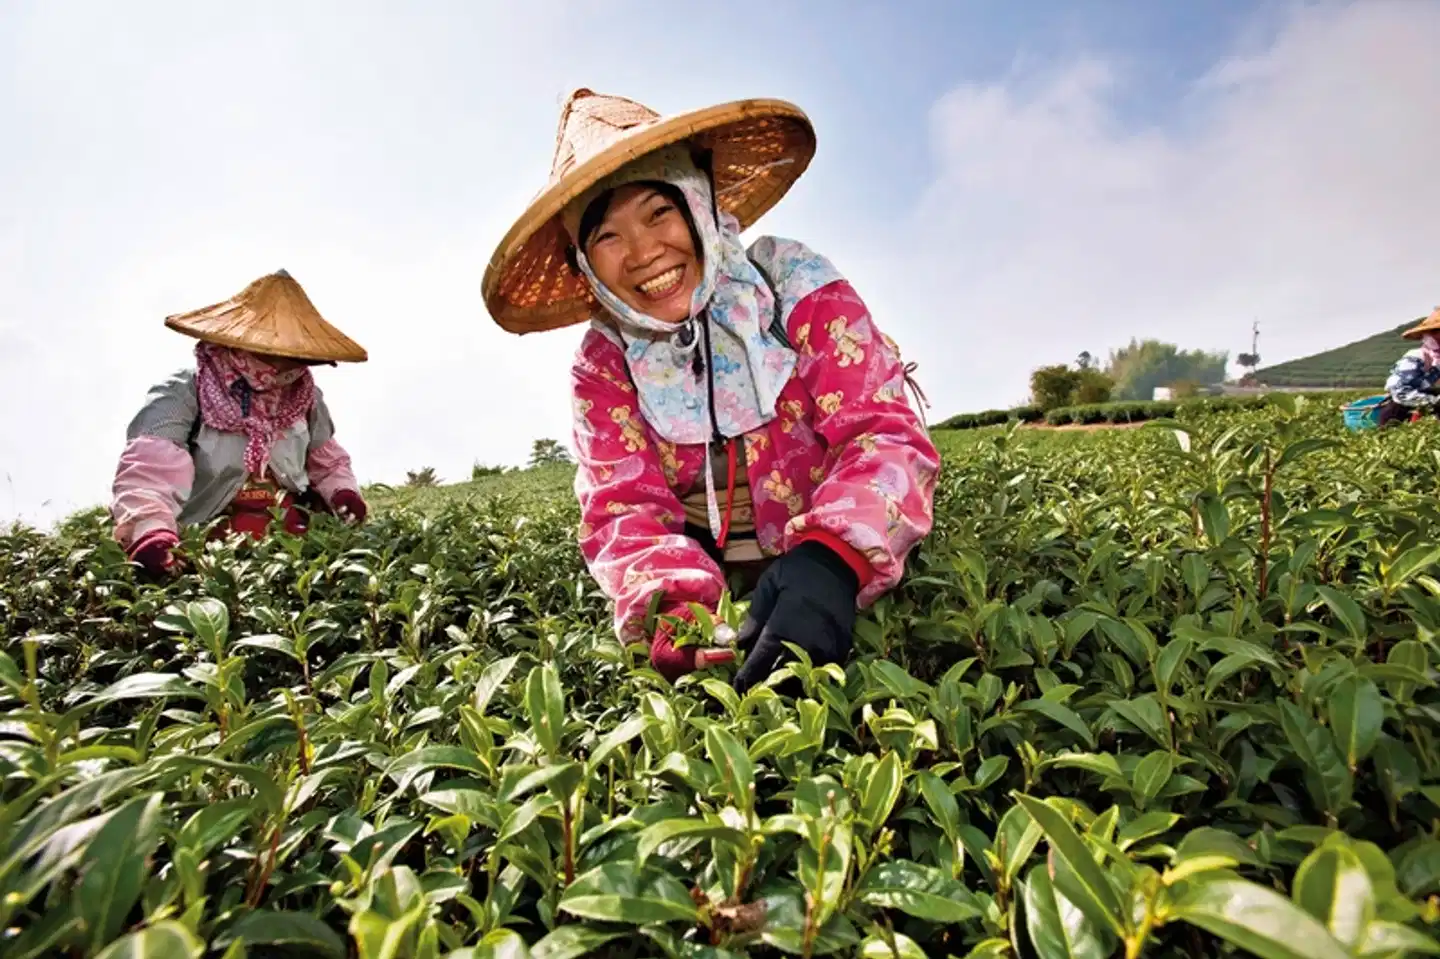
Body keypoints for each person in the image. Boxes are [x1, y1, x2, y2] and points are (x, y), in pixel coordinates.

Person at [482, 88, 939, 692]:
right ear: (584, 262)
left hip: (834, 566)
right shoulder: (604, 362)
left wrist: (833, 559)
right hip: (724, 592)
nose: (644, 253)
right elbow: (622, 507)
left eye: (658, 213)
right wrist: (673, 609)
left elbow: (881, 430)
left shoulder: (791, 283)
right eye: (607, 237)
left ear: (699, 203)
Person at [110, 269, 370, 578]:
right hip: (209, 547)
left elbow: (326, 461)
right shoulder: (184, 393)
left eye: (295, 357)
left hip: (289, 546)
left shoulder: (306, 397)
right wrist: (151, 532)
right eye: (272, 353)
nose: (282, 368)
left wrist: (342, 492)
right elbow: (149, 473)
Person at [1379, 307, 1440, 426]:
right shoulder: (1417, 357)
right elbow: (1400, 392)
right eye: (1436, 332)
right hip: (1402, 416)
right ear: (1429, 335)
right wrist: (1434, 401)